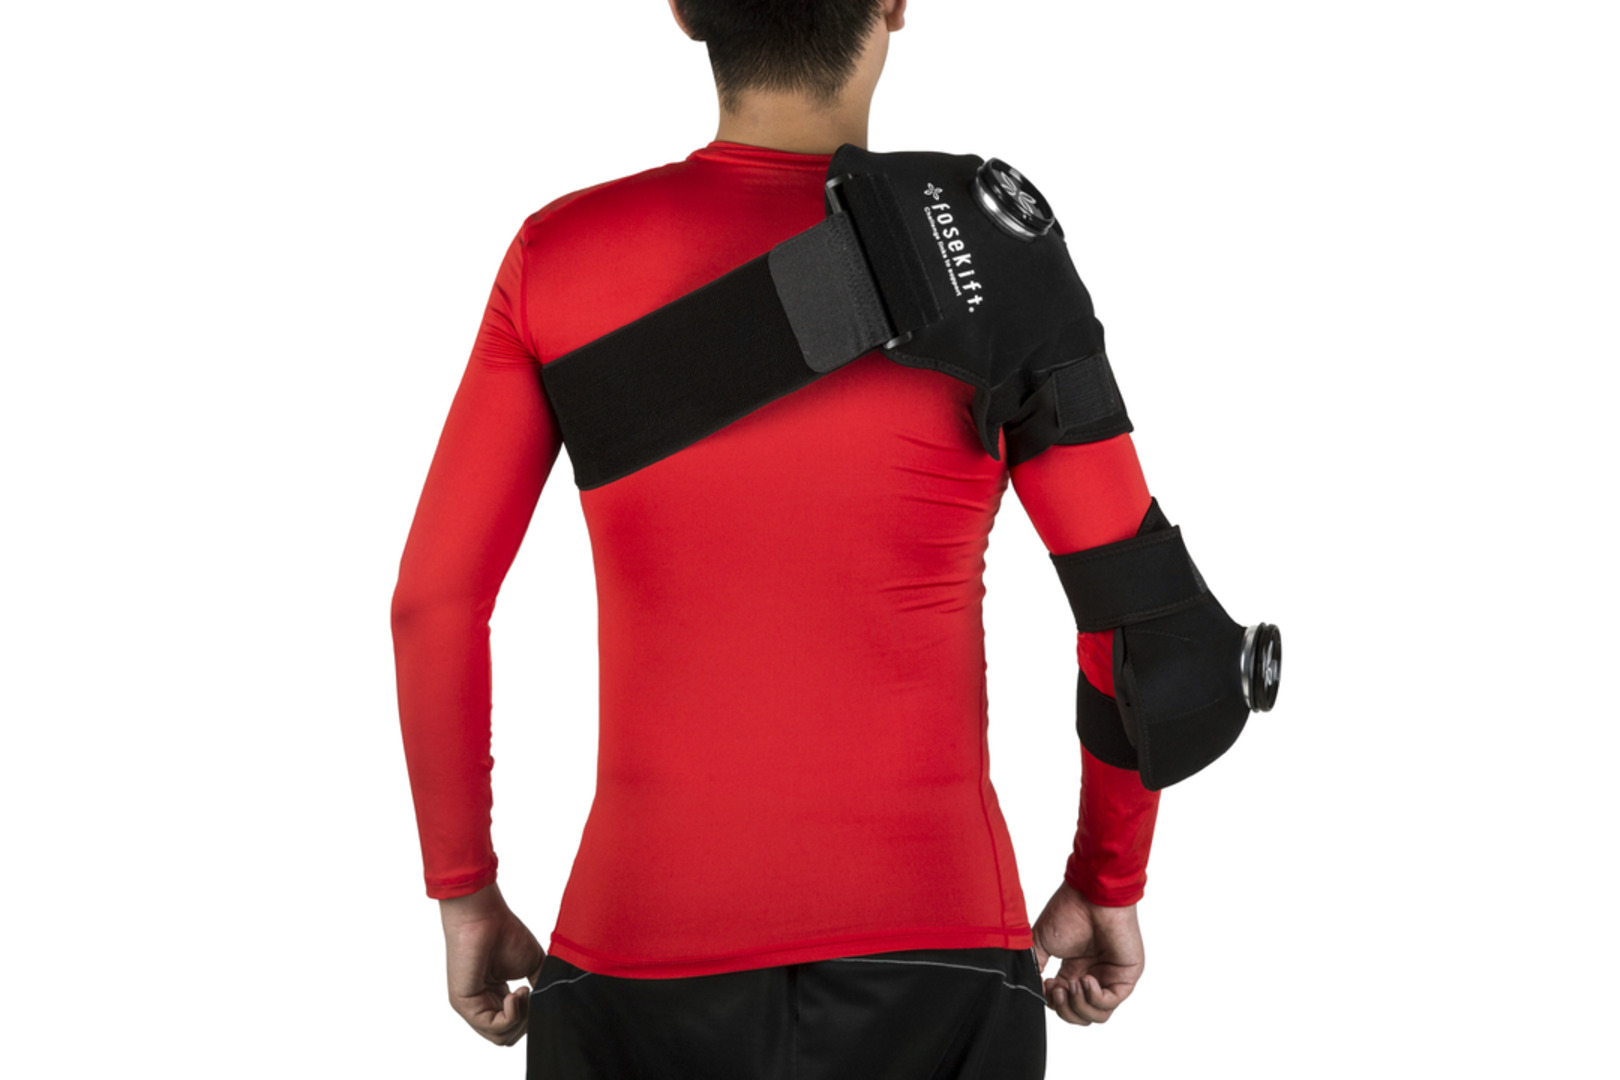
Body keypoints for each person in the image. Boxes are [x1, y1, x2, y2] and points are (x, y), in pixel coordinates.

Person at [390, 2, 1162, 1075]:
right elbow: (1135, 609)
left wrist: (465, 891)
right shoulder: (991, 255)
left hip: (636, 950)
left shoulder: (558, 254)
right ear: (894, 3)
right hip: (936, 955)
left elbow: (433, 603)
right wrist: (1107, 877)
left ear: (683, 9)